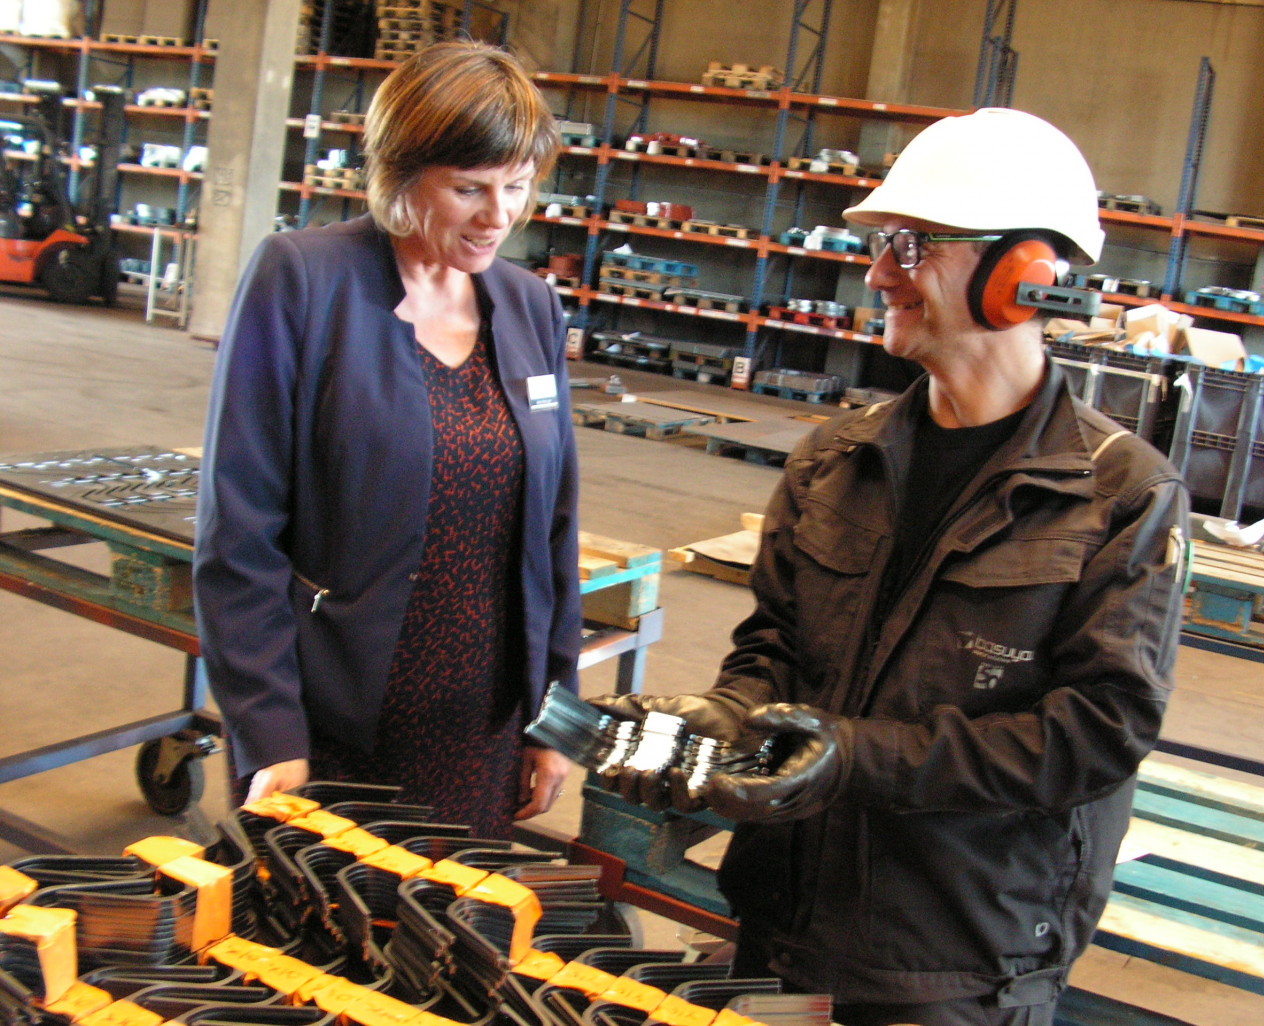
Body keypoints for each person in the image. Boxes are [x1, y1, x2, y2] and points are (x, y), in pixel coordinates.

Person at [595, 108, 1190, 1026]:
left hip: (952, 962)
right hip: (781, 917)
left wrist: (852, 760)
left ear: (1022, 273)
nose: (878, 273)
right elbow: (775, 647)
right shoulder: (838, 458)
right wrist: (725, 713)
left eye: (912, 247)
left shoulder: (1120, 496)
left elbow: (1096, 734)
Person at [193, 41, 579, 839]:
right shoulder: (300, 281)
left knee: (448, 944)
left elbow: (553, 534)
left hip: (480, 729)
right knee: (312, 947)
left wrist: (557, 716)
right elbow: (239, 529)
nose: (499, 215)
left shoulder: (531, 307)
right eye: (469, 187)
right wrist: (269, 730)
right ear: (400, 174)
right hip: (331, 722)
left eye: (517, 186)